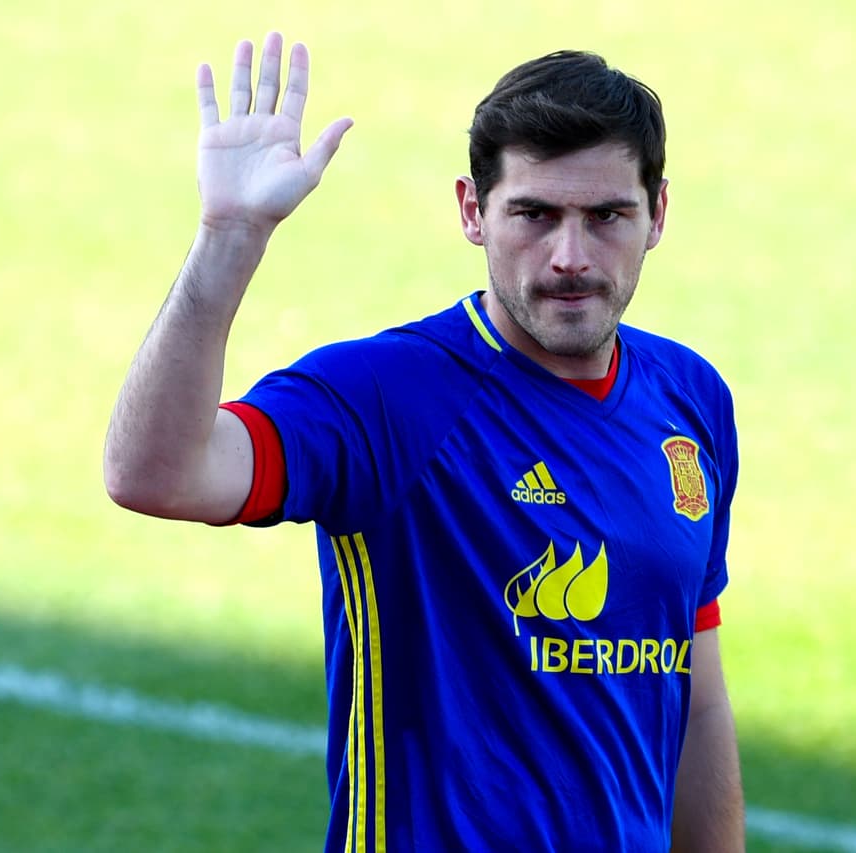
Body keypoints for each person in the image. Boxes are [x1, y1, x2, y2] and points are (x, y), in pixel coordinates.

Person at [104, 31, 745, 852]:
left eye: (607, 216)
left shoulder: (689, 401)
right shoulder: (390, 396)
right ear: (473, 213)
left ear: (657, 213)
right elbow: (154, 474)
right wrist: (230, 237)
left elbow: (697, 695)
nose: (570, 257)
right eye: (535, 214)